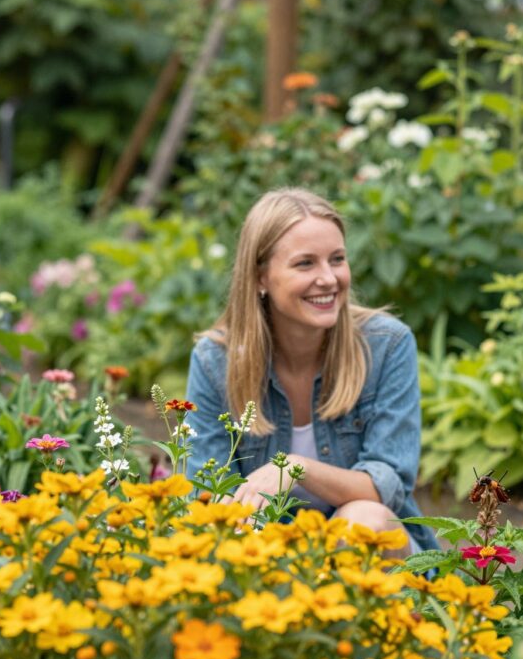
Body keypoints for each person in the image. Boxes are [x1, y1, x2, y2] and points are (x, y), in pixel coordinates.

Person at [183, 188, 436, 556]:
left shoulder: (386, 346)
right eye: (305, 264)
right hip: (263, 551)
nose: (329, 278)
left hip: (377, 559)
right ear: (260, 277)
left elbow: (387, 486)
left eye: (337, 259)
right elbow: (207, 493)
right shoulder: (215, 362)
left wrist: (295, 469)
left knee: (364, 521)